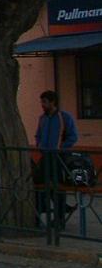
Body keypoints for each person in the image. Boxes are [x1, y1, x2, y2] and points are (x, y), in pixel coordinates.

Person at [35, 90, 78, 224]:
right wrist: (39, 145)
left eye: (45, 102)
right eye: (42, 102)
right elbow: (38, 134)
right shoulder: (42, 118)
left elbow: (73, 136)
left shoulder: (64, 117)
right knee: (38, 184)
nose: (42, 105)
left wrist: (61, 148)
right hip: (45, 155)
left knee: (57, 187)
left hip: (59, 157)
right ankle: (38, 214)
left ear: (52, 102)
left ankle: (59, 218)